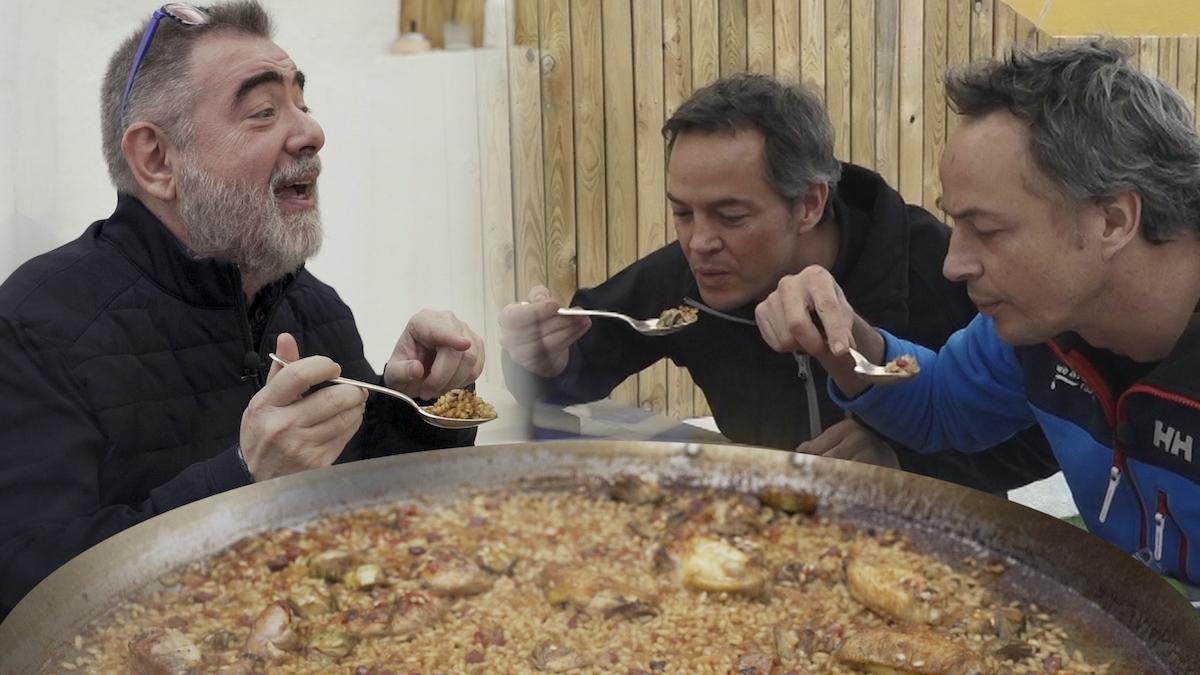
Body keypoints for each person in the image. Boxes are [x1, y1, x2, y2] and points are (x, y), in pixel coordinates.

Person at [0, 1, 484, 617]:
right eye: (263, 112)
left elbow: (379, 513)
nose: (311, 133)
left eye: (302, 103)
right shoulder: (35, 325)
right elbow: (22, 585)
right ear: (156, 160)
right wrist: (243, 477)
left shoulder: (315, 308)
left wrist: (419, 403)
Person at [755, 39, 1200, 585]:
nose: (953, 263)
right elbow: (940, 405)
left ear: (1112, 221)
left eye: (987, 231)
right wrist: (840, 335)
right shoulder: (1043, 328)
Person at [500, 72, 1057, 492]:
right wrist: (541, 362)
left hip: (930, 552)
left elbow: (1047, 439)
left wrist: (904, 459)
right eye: (682, 212)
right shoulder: (683, 278)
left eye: (730, 216)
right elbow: (568, 374)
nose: (699, 242)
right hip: (766, 542)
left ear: (810, 203)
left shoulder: (943, 267)